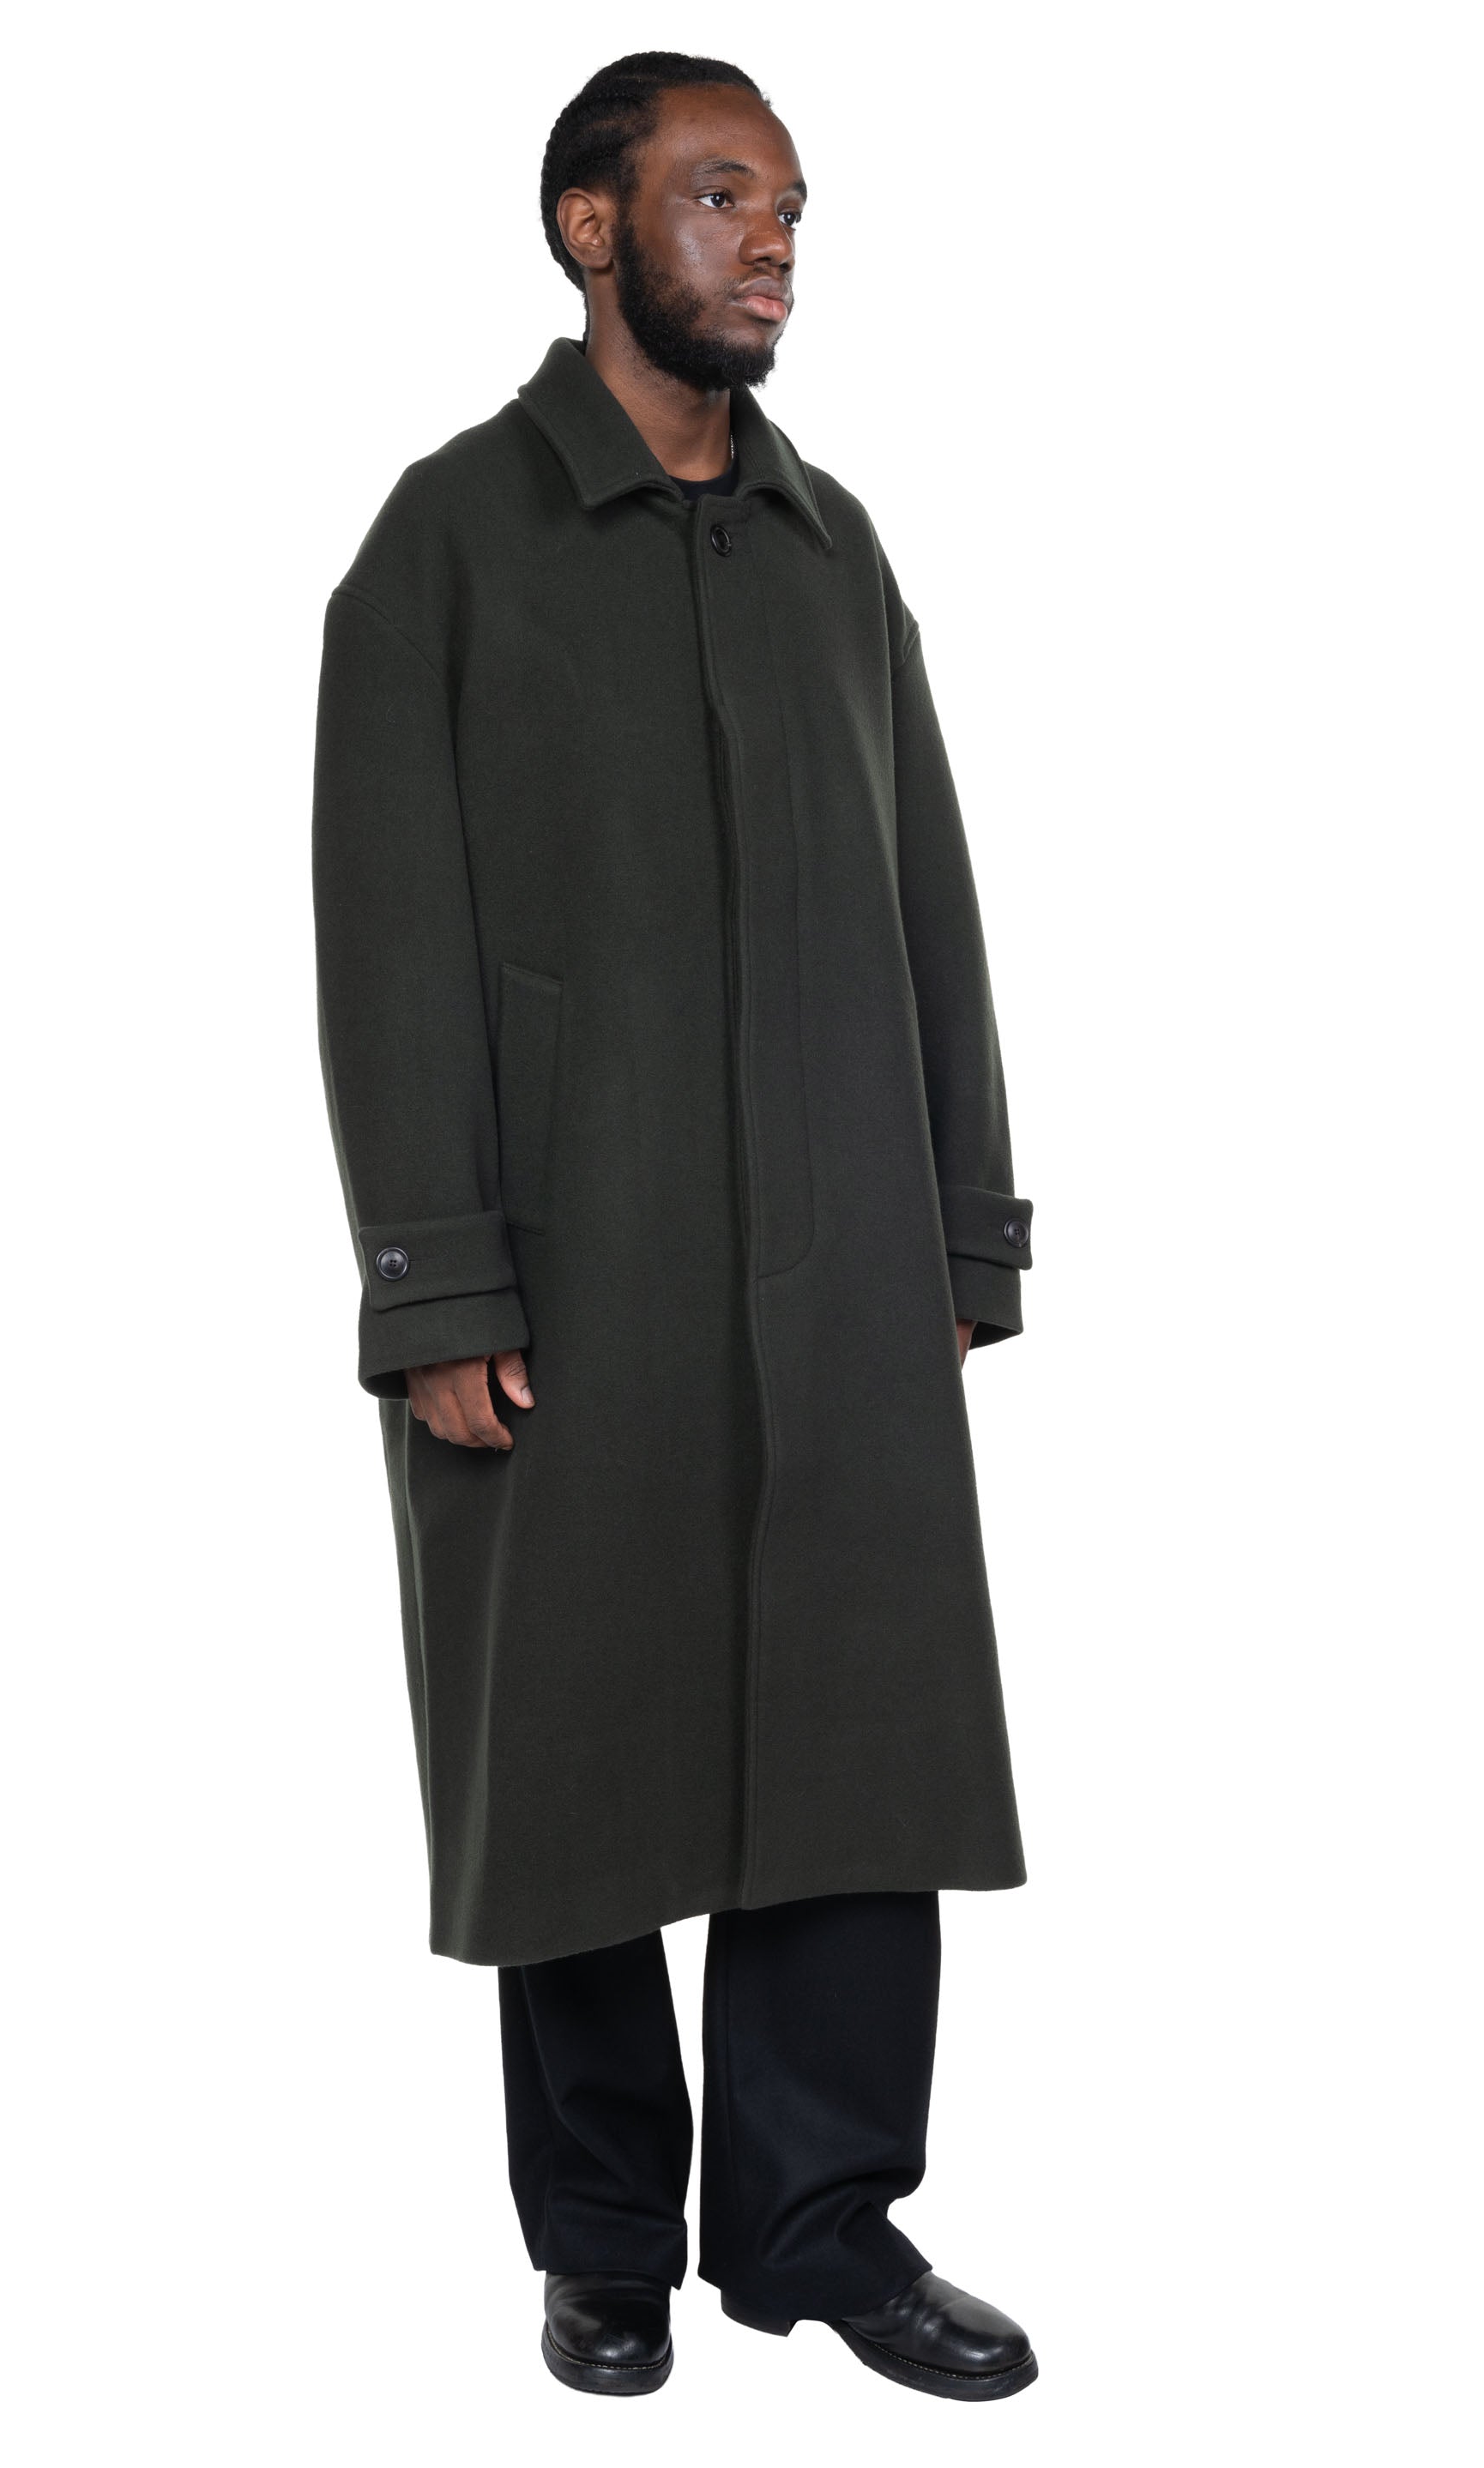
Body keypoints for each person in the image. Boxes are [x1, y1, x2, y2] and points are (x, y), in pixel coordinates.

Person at [311, 51, 1038, 2403]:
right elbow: (388, 936)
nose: (773, 243)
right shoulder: (452, 541)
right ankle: (606, 2238)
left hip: (844, 1270)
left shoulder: (835, 551)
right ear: (590, 226)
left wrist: (964, 1235)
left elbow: (933, 898)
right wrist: (435, 1276)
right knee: (582, 1761)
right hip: (571, 1270)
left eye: (791, 206)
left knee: (857, 1741)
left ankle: (823, 2223)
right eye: (721, 196)